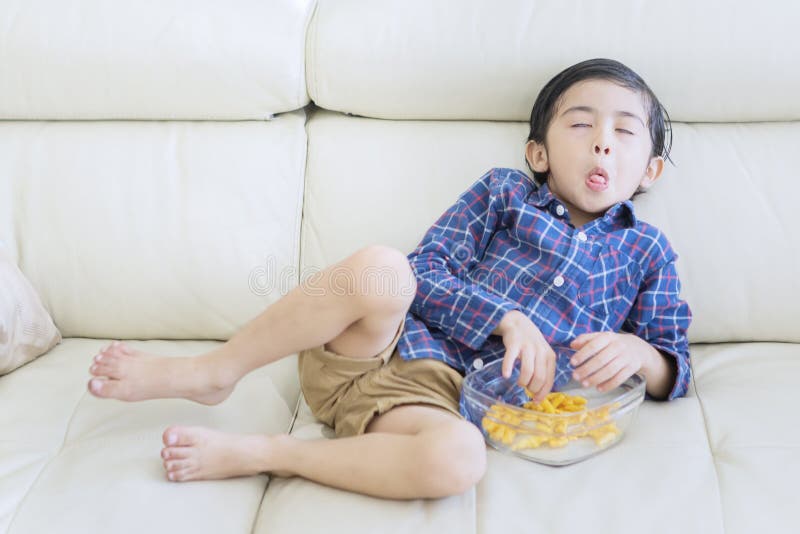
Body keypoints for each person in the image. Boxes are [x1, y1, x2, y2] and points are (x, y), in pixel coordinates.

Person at [86, 58, 691, 500]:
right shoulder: (504, 195)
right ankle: (215, 371)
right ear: (539, 154)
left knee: (459, 461)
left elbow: (674, 364)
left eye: (625, 133)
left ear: (651, 169)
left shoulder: (648, 252)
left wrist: (640, 353)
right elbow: (424, 271)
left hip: (435, 407)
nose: (603, 146)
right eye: (581, 126)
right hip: (381, 348)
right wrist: (506, 319)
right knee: (383, 267)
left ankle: (271, 454)